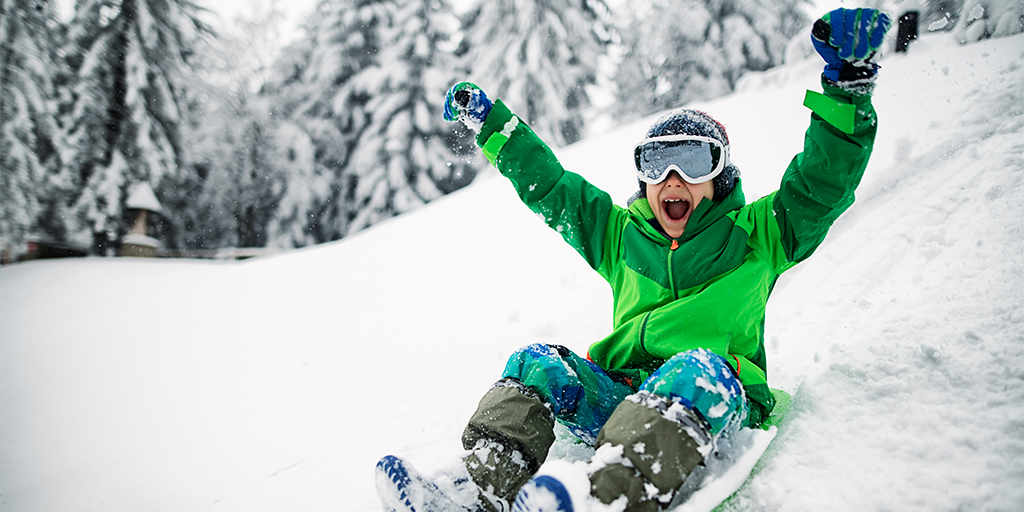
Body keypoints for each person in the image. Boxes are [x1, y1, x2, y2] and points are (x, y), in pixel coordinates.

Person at [376, 7, 891, 512]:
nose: (672, 178)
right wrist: (493, 126)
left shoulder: (761, 234)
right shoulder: (619, 236)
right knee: (538, 362)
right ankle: (480, 489)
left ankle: (605, 497)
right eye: (655, 163)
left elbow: (822, 185)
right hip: (621, 395)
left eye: (692, 161)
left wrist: (847, 88)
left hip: (713, 396)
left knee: (696, 366)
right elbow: (553, 189)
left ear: (720, 177)